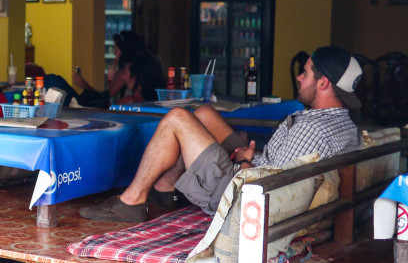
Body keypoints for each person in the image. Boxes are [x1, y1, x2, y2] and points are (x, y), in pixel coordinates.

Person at [82, 46, 363, 222]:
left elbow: (271, 184)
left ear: (323, 83)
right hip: (256, 166)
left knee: (177, 118)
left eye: (305, 74)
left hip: (242, 190)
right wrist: (249, 155)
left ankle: (131, 201)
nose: (300, 78)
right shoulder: (344, 124)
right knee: (204, 114)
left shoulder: (310, 128)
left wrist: (243, 163)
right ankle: (166, 189)